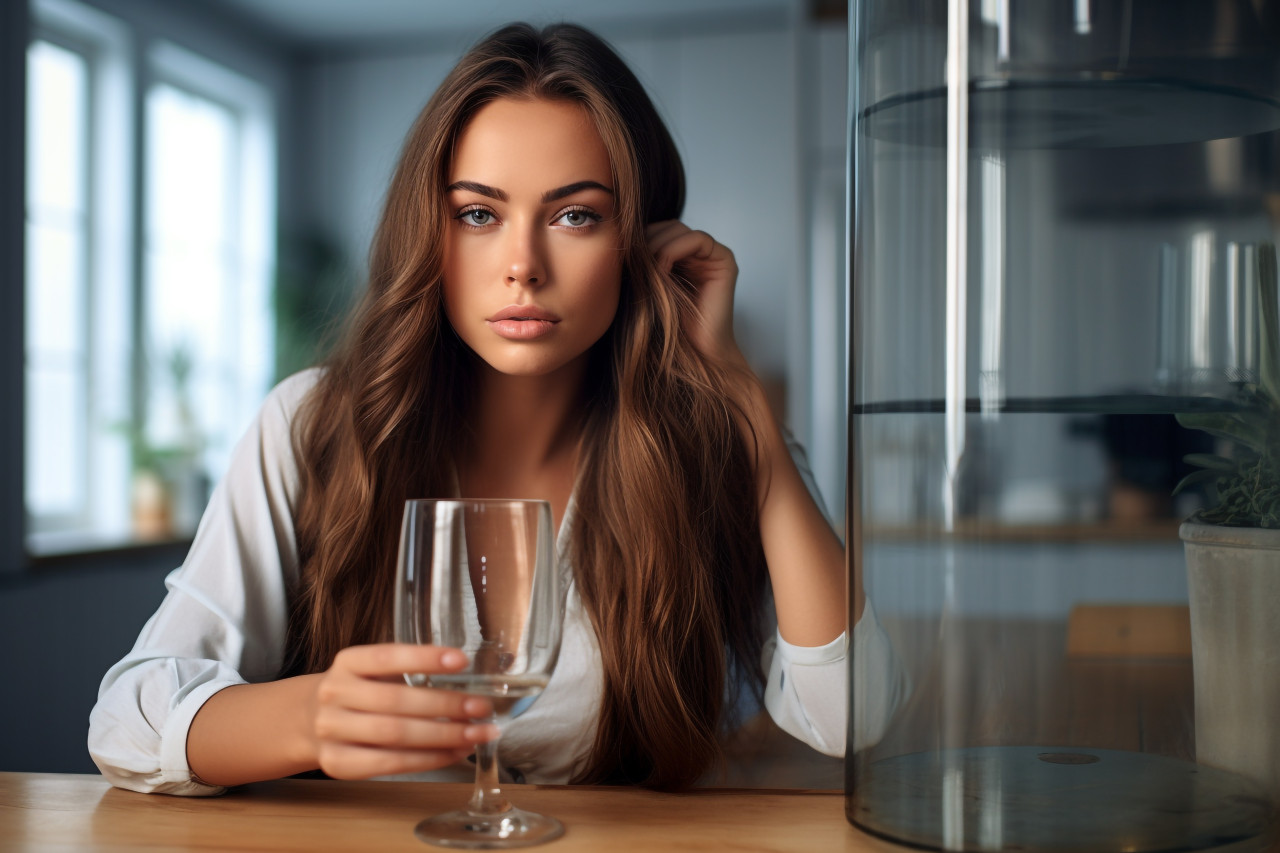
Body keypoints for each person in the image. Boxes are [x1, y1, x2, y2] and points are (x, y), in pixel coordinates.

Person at [89, 22, 904, 796]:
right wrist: (308, 716)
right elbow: (125, 721)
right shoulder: (311, 428)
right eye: (479, 214)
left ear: (642, 241)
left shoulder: (718, 440)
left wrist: (738, 401)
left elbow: (855, 716)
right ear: (429, 232)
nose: (523, 264)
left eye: (574, 215)